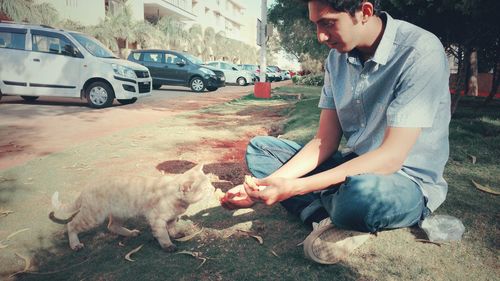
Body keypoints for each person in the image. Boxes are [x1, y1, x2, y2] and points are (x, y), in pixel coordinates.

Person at [222, 0, 451, 264]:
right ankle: (325, 216)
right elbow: (324, 140)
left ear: (365, 12)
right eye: (316, 25)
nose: (320, 36)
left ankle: (328, 207)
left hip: (401, 181)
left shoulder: (420, 51)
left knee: (360, 196)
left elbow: (391, 157)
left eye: (328, 23)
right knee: (261, 149)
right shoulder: (336, 59)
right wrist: (266, 185)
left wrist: (295, 187)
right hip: (350, 166)